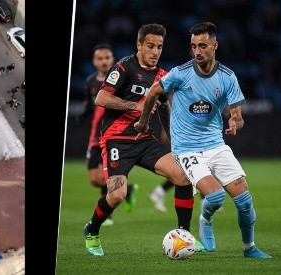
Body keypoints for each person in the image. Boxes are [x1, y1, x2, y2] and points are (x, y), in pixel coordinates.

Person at [135, 22, 271, 258]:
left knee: (245, 203)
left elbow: (238, 118)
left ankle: (249, 248)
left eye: (203, 46)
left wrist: (234, 123)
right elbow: (153, 92)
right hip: (186, 148)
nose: (198, 51)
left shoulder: (228, 77)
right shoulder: (180, 73)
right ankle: (205, 220)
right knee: (216, 196)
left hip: (216, 145)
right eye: (194, 46)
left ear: (214, 45)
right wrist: (144, 121)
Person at [83, 23, 200, 256]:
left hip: (145, 140)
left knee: (183, 176)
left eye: (159, 47)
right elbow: (102, 98)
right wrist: (135, 105)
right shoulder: (125, 67)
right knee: (117, 195)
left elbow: (165, 106)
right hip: (117, 139)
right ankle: (92, 230)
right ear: (139, 45)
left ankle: (184, 235)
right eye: (150, 46)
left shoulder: (162, 76)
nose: (155, 51)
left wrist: (173, 138)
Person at [80, 43, 138, 227]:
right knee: (94, 179)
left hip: (112, 136)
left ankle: (107, 215)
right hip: (94, 137)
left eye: (107, 58)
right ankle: (126, 190)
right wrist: (83, 114)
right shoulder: (90, 82)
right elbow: (89, 105)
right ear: (94, 61)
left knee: (108, 174)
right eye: (100, 58)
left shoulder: (120, 81)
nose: (104, 62)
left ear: (113, 59)